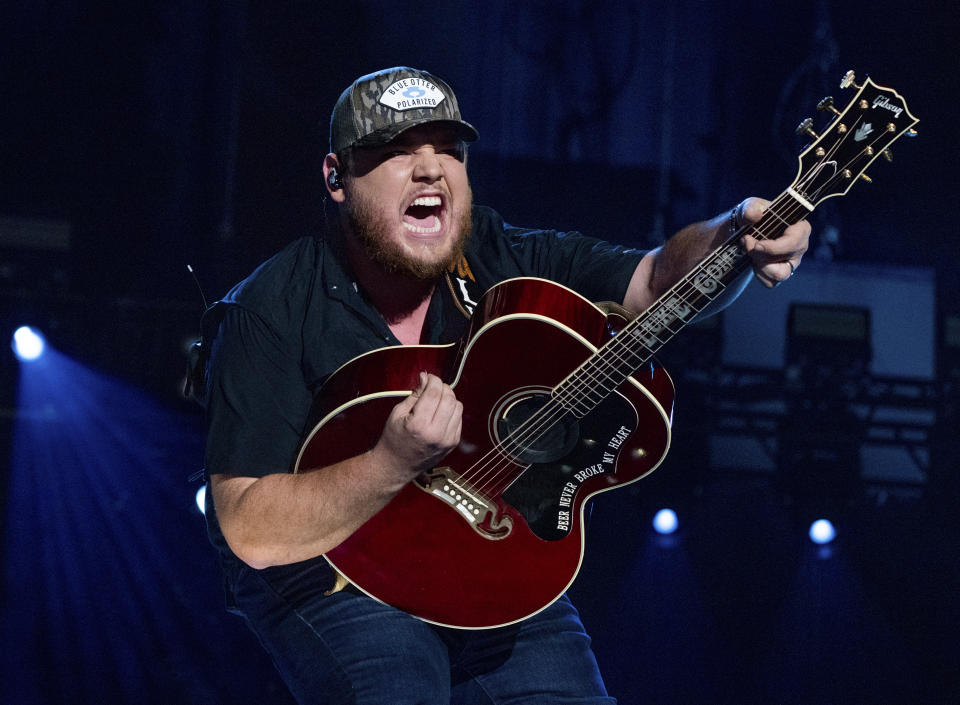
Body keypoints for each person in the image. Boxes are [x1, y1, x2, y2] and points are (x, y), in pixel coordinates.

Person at [200, 66, 810, 704]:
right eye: (397, 152)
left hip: (487, 557)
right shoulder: (268, 310)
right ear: (337, 179)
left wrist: (736, 231)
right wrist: (391, 462)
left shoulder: (499, 255)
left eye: (448, 151)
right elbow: (251, 528)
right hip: (336, 576)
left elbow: (658, 282)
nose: (430, 168)